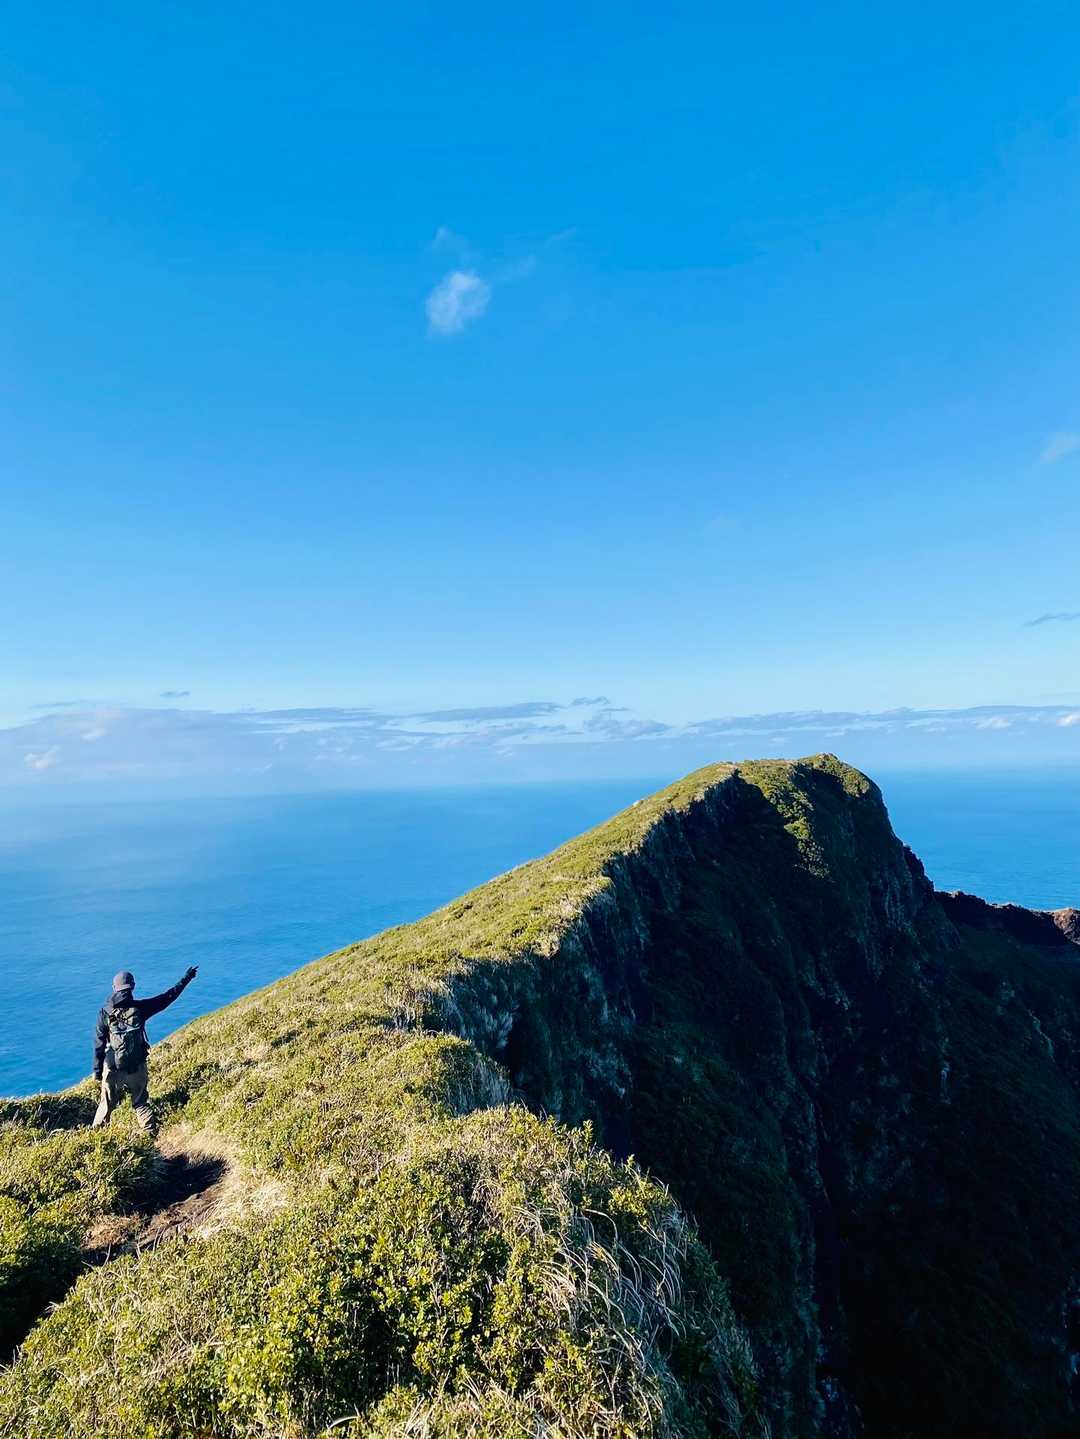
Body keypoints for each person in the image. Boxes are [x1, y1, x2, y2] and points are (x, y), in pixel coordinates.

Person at [91, 966, 198, 1133]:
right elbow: (167, 997)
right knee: (140, 1102)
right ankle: (150, 1134)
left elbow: (99, 1044)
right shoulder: (140, 1008)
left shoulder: (104, 1013)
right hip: (137, 1063)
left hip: (113, 1066)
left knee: (106, 1104)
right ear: (132, 986)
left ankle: (96, 1136)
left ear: (114, 988)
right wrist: (187, 978)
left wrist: (97, 1071)